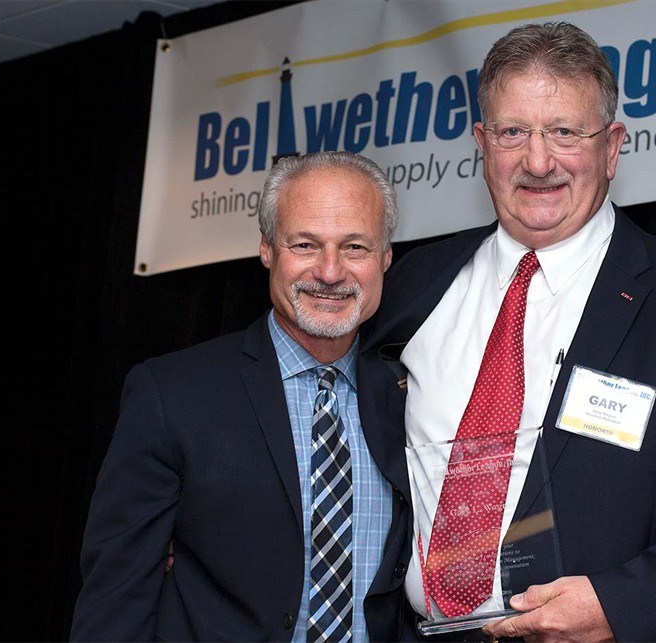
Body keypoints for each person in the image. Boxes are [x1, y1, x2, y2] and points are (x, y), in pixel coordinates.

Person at [363, 22, 656, 641]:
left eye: (565, 132)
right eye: (512, 132)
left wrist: (620, 606)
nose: (538, 161)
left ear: (612, 146)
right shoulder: (414, 285)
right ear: (480, 142)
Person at [72, 151, 413, 641]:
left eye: (355, 247)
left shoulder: (415, 398)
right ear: (267, 249)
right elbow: (116, 601)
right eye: (305, 244)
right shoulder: (172, 395)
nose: (331, 271)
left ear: (385, 258)